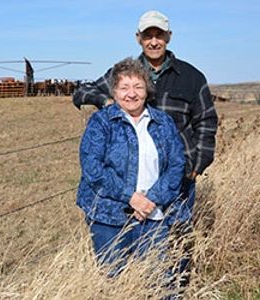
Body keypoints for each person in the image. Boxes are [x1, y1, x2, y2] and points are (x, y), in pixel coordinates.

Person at [73, 10, 218, 283]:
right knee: (124, 257)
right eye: (148, 35)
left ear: (168, 37)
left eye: (159, 35)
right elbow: (81, 93)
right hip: (125, 183)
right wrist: (107, 103)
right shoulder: (123, 73)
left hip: (178, 177)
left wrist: (197, 166)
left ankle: (177, 289)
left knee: (175, 246)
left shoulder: (191, 77)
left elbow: (207, 122)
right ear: (138, 38)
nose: (154, 41)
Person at [76, 57, 185, 275]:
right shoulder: (102, 122)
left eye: (138, 86)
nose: (131, 94)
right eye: (124, 87)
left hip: (152, 215)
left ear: (147, 90)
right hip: (108, 218)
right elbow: (92, 168)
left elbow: (176, 165)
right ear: (114, 92)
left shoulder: (163, 122)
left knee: (159, 281)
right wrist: (131, 197)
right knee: (114, 281)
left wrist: (151, 200)